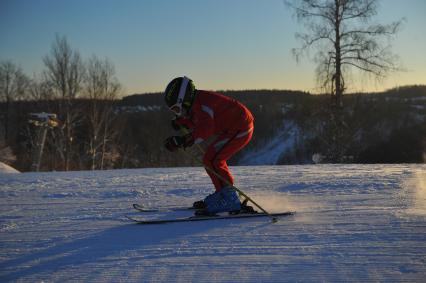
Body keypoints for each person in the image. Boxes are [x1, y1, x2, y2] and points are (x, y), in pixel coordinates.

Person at [163, 76, 254, 215]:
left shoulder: (202, 104)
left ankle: (229, 199)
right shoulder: (198, 101)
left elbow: (206, 128)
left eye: (176, 108)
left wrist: (183, 140)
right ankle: (223, 195)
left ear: (183, 99)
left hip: (241, 128)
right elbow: (199, 120)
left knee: (212, 159)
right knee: (211, 159)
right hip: (235, 128)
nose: (178, 112)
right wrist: (183, 122)